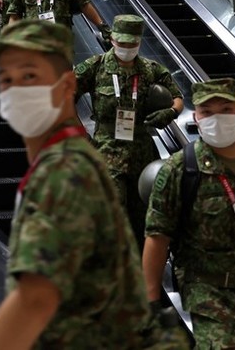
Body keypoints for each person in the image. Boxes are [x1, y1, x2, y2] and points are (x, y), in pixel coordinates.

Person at [0, 20, 156, 348]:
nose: (15, 90)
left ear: (67, 87)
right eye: (6, 79)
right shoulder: (69, 158)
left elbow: (35, 299)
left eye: (30, 77)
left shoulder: (63, 171)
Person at [143, 78, 235, 349]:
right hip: (210, 294)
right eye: (207, 112)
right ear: (196, 117)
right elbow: (157, 235)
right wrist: (151, 301)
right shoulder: (180, 169)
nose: (216, 119)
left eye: (226, 109)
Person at [74, 14, 184, 247]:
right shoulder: (95, 67)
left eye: (131, 44)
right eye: (122, 43)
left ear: (139, 42)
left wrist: (172, 112)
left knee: (143, 216)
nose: (126, 48)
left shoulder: (150, 70)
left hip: (141, 150)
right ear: (112, 39)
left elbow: (178, 97)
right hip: (107, 149)